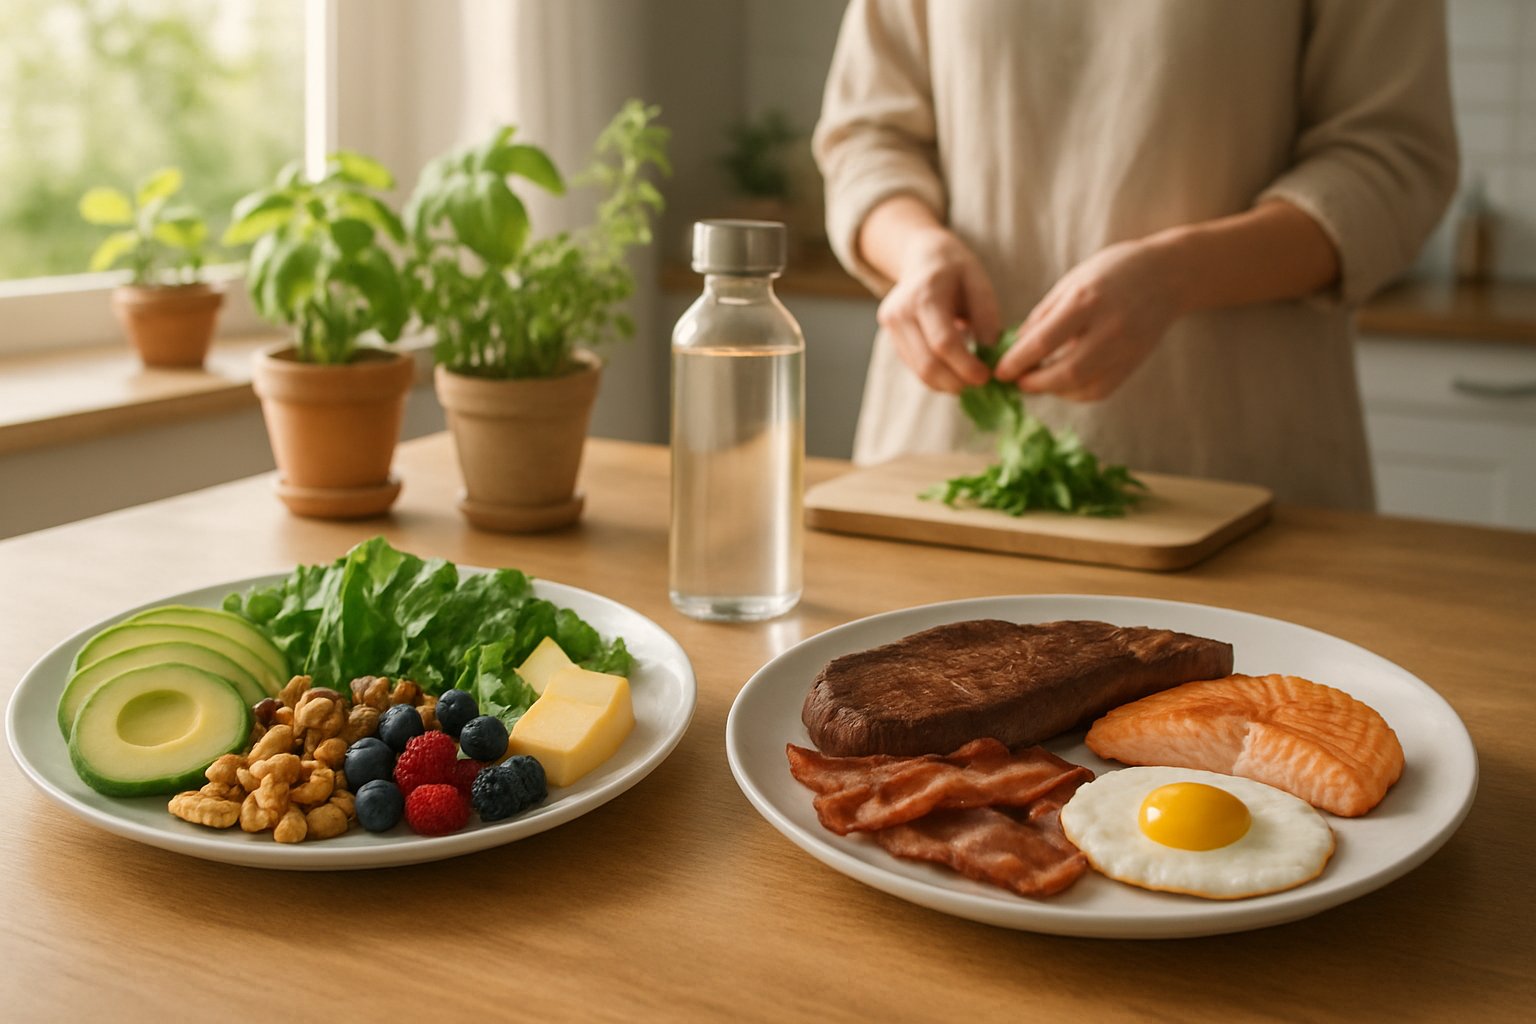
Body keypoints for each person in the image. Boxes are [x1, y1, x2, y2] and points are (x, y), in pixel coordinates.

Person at [813, 0, 1458, 509]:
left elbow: (1391, 162)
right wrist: (916, 249)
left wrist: (1177, 275)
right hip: (941, 465)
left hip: (1229, 473)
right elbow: (867, 137)